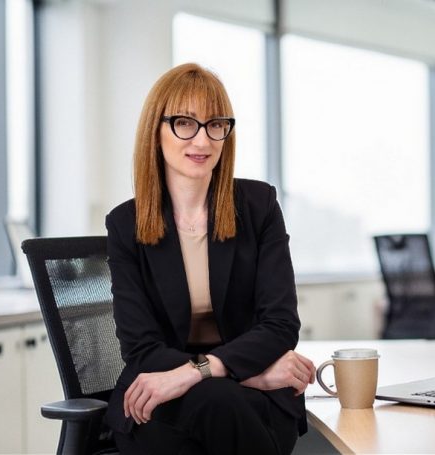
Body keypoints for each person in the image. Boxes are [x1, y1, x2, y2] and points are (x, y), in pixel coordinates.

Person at [103, 63, 315, 454]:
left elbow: (280, 323)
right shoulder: (125, 225)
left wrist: (205, 371)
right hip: (162, 401)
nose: (202, 140)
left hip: (252, 401)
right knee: (221, 401)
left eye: (215, 124)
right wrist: (249, 375)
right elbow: (141, 348)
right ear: (155, 130)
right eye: (185, 123)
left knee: (226, 404)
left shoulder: (259, 207)